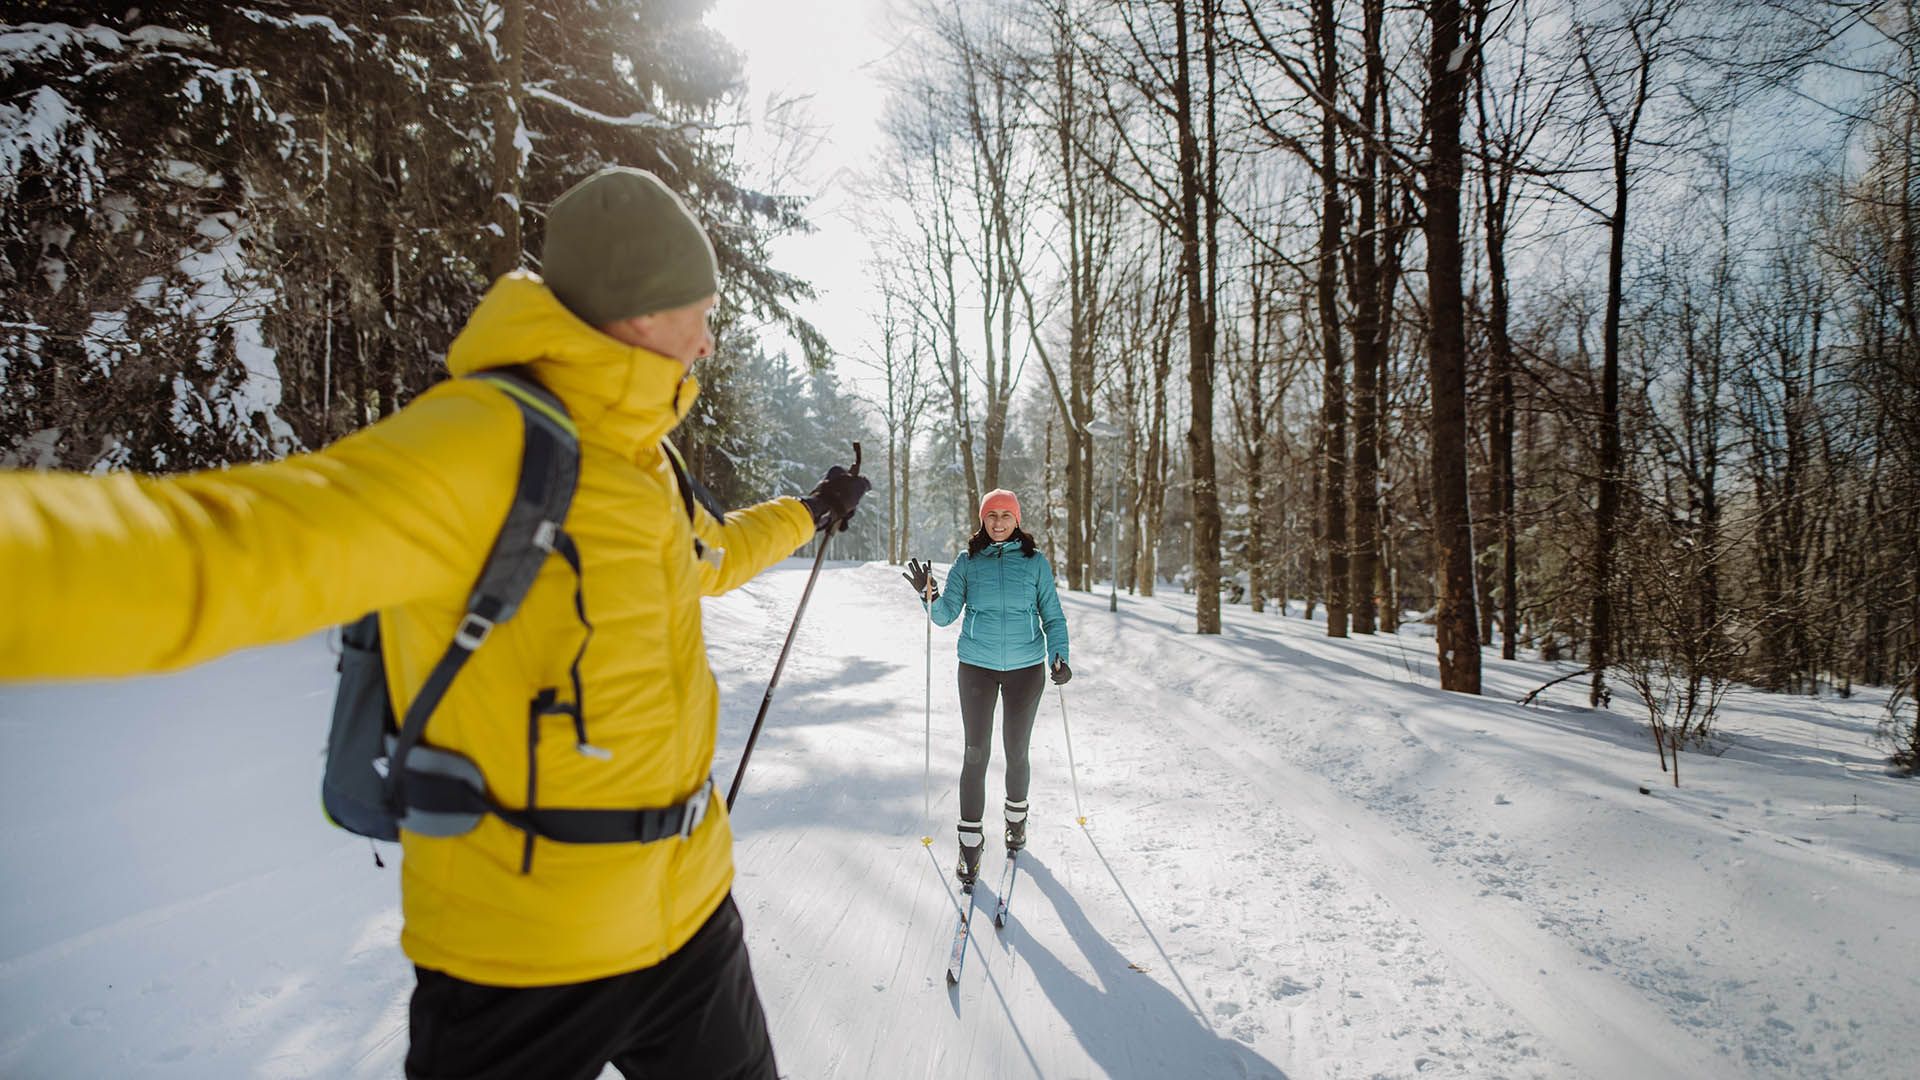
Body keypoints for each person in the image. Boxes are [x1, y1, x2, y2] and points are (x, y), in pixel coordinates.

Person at [0, 166, 870, 1080]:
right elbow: (219, 551)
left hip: (692, 924)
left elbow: (716, 555)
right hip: (519, 962)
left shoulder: (644, 458)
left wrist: (811, 510)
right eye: (701, 308)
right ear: (638, 309)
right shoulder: (477, 442)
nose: (708, 337)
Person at [902, 488, 1070, 889]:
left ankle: (1015, 821)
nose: (998, 522)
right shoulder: (968, 563)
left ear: (1017, 520)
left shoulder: (1035, 563)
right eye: (990, 515)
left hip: (1026, 670)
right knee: (975, 754)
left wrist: (1059, 656)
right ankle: (970, 844)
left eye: (1005, 515)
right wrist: (930, 595)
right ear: (982, 520)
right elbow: (944, 617)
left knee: (1016, 751)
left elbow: (1054, 616)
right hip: (976, 667)